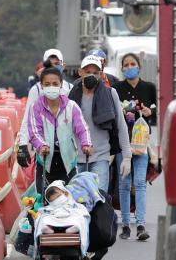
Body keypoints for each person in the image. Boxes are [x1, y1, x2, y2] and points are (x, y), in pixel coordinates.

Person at [68, 55, 132, 191]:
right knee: (78, 203)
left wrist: (127, 157)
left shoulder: (110, 93)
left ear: (101, 75)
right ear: (80, 72)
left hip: (101, 157)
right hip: (75, 158)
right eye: (88, 72)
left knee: (99, 199)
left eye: (95, 73)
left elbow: (121, 125)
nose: (91, 75)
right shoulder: (71, 95)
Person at [113, 52, 157, 241]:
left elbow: (154, 115)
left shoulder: (149, 88)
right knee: (123, 184)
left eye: (133, 64)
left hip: (141, 143)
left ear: (139, 66)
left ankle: (140, 224)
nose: (130, 67)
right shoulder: (116, 89)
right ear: (122, 68)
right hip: (123, 143)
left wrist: (148, 113)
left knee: (140, 183)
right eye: (126, 65)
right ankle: (125, 225)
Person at [27, 67, 92, 195]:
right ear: (41, 86)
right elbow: (34, 132)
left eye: (55, 84)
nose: (51, 87)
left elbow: (83, 128)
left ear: (61, 84)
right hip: (45, 162)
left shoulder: (71, 106)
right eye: (47, 84)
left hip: (68, 163)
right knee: (44, 200)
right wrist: (42, 145)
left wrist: (86, 144)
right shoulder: (36, 107)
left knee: (70, 198)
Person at [17, 48, 72, 169]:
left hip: (67, 152)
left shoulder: (71, 88)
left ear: (63, 65)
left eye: (57, 64)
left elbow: (79, 120)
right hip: (44, 150)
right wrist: (22, 145)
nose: (54, 67)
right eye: (50, 64)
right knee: (43, 187)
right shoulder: (36, 90)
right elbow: (28, 118)